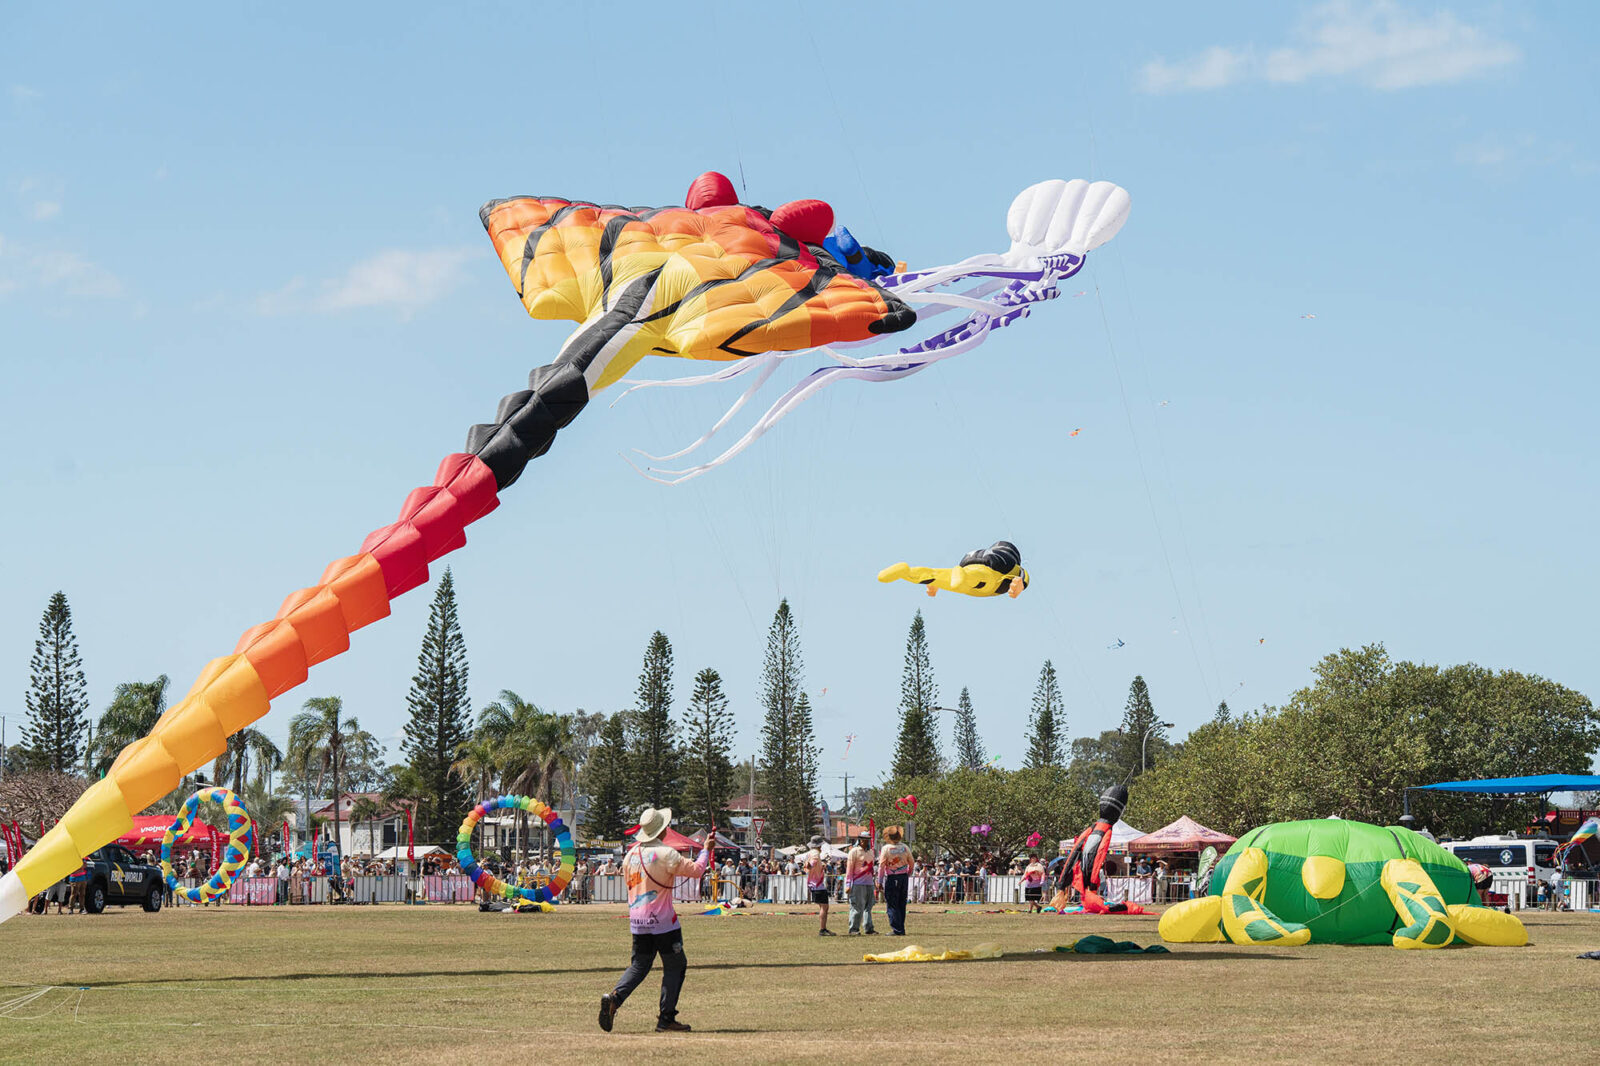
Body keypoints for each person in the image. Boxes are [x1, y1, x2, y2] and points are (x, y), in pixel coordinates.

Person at [599, 807, 712, 1035]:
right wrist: (706, 850)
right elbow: (698, 871)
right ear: (663, 829)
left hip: (638, 922)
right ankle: (666, 1018)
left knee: (639, 966)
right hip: (663, 922)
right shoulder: (666, 854)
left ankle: (615, 999)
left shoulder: (631, 855)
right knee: (675, 965)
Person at [876, 826, 913, 936]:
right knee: (902, 903)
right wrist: (908, 873)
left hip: (892, 878)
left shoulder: (886, 849)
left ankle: (897, 929)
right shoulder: (905, 847)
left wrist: (879, 880)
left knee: (892, 904)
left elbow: (882, 866)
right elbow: (911, 862)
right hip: (903, 877)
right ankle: (901, 927)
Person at [845, 832, 877, 936]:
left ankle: (869, 928)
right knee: (857, 907)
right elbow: (849, 869)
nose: (865, 841)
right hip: (857, 883)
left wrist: (874, 880)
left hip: (869, 882)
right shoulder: (853, 852)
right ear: (859, 839)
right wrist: (848, 884)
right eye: (863, 839)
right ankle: (854, 929)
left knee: (869, 907)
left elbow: (871, 867)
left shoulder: (871, 852)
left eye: (867, 839)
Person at [801, 836, 835, 936]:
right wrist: (811, 865)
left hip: (814, 883)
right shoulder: (815, 853)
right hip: (818, 885)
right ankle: (822, 929)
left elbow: (809, 865)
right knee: (825, 907)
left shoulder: (810, 853)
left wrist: (821, 865)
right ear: (819, 845)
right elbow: (812, 863)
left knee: (822, 907)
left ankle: (823, 928)